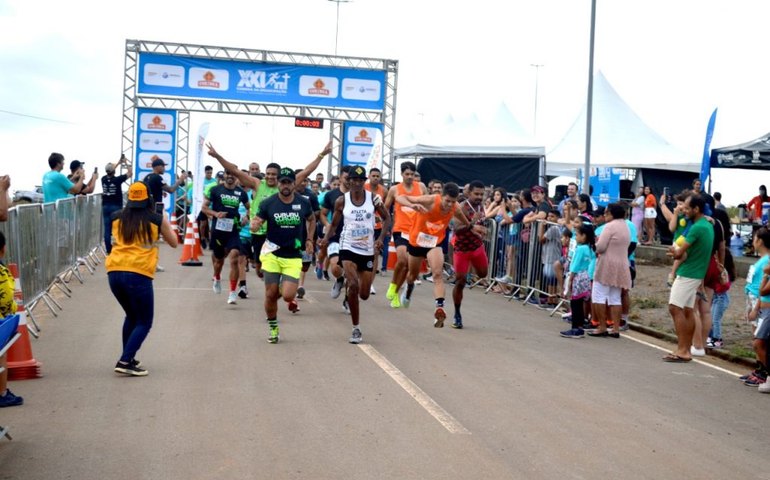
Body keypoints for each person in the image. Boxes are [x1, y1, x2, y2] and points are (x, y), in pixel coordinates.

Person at [106, 182, 178, 376]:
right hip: (138, 273)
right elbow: (174, 243)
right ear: (148, 198)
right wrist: (165, 222)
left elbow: (108, 242)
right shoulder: (155, 219)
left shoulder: (116, 217)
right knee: (144, 321)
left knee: (131, 315)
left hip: (114, 272)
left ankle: (127, 356)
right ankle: (125, 360)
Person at [320, 166, 391, 343]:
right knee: (353, 284)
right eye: (354, 180)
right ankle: (356, 328)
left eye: (361, 180)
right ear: (349, 181)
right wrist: (326, 239)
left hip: (367, 248)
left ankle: (348, 281)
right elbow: (335, 225)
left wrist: (381, 238)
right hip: (348, 246)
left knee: (364, 294)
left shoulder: (374, 199)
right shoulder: (341, 201)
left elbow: (387, 218)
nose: (357, 183)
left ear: (364, 181)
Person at [250, 167, 316, 344]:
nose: (285, 185)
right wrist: (255, 225)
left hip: (293, 256)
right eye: (282, 182)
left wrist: (309, 239)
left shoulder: (303, 203)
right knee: (271, 294)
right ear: (278, 183)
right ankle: (273, 327)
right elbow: (258, 220)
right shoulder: (268, 203)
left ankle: (281, 288)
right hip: (272, 253)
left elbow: (312, 219)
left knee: (287, 295)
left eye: (288, 182)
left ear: (294, 184)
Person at [395, 182, 470, 327]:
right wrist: (412, 205)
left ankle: (439, 308)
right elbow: (400, 197)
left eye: (453, 202)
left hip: (434, 243)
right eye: (447, 201)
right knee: (412, 275)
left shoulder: (455, 207)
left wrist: (471, 227)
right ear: (441, 196)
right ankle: (409, 287)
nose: (449, 205)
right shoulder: (430, 200)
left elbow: (464, 220)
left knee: (437, 274)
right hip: (417, 242)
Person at [663, 193, 714, 362]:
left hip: (688, 272)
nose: (684, 211)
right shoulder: (706, 225)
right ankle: (686, 349)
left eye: (687, 208)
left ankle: (683, 349)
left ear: (696, 209)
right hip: (697, 273)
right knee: (687, 310)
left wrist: (673, 252)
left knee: (674, 308)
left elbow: (680, 253)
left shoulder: (697, 227)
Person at [201, 170, 250, 305]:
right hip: (218, 230)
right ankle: (217, 277)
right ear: (224, 176)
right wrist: (215, 214)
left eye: (233, 174)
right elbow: (204, 208)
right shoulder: (215, 190)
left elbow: (249, 208)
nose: (230, 176)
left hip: (233, 230)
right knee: (219, 262)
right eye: (228, 174)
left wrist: (247, 217)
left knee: (234, 258)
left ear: (236, 177)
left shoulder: (241, 193)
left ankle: (232, 292)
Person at [384, 162, 427, 308]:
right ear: (401, 174)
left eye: (412, 174)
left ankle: (396, 292)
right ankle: (392, 285)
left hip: (416, 231)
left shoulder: (421, 187)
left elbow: (428, 204)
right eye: (407, 174)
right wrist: (384, 222)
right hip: (400, 229)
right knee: (402, 260)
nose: (409, 177)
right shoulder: (395, 189)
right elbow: (385, 208)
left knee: (409, 265)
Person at [587, 203, 631, 338]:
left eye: (606, 213)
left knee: (598, 295)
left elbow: (600, 247)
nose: (605, 215)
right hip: (622, 264)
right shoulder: (625, 226)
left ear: (611, 214)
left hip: (607, 264)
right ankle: (616, 328)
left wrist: (597, 242)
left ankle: (602, 326)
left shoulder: (609, 226)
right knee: (615, 298)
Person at [451, 180, 488, 328]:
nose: (479, 196)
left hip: (477, 247)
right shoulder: (462, 207)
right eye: (476, 194)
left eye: (481, 194)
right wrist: (472, 223)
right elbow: (457, 229)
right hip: (462, 249)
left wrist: (482, 231)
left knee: (484, 274)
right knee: (460, 282)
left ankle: (472, 268)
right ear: (469, 193)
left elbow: (482, 223)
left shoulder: (481, 206)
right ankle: (457, 314)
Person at [560, 223, 596, 338]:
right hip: (585, 275)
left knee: (575, 303)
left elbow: (574, 265)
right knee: (579, 302)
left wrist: (570, 280)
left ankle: (575, 327)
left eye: (577, 235)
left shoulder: (580, 248)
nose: (575, 237)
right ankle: (579, 327)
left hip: (578, 276)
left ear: (584, 236)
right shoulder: (590, 248)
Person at [0, 231, 22, 406]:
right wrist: (12, 311)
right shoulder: (2, 272)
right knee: (1, 356)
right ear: (3, 250)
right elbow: (7, 298)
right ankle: (2, 393)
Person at [101, 155, 132, 254]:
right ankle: (118, 247)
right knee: (117, 228)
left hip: (105, 206)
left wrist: (119, 162)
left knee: (107, 229)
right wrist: (125, 162)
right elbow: (130, 173)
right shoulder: (118, 180)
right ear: (114, 171)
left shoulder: (103, 179)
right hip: (116, 207)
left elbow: (110, 171)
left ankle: (108, 250)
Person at [364, 167, 388, 285]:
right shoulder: (363, 188)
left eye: (377, 176)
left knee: (375, 254)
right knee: (362, 254)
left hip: (377, 227)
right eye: (373, 176)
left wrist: (384, 220)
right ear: (369, 177)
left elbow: (386, 209)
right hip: (363, 226)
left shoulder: (384, 191)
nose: (375, 178)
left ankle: (370, 283)